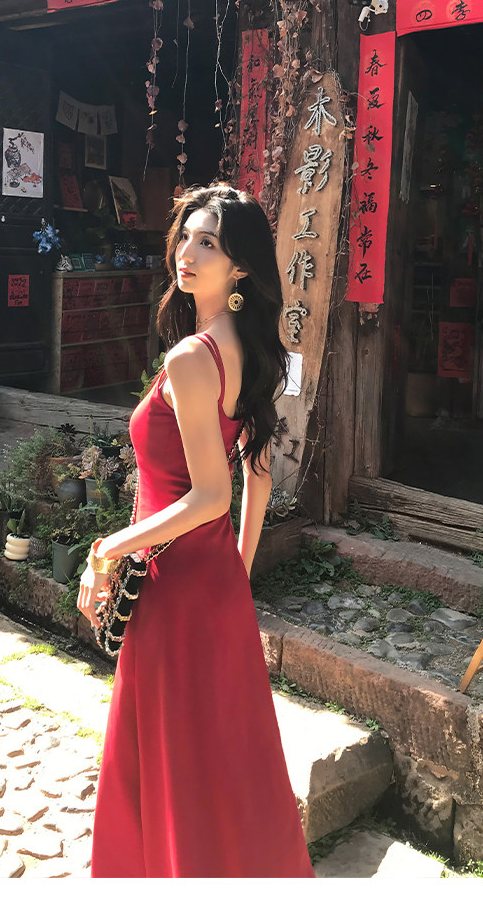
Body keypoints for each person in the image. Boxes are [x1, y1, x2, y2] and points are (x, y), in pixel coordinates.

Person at [76, 185, 315, 879]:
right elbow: (258, 473)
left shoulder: (192, 357)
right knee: (222, 769)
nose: (187, 251)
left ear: (239, 266)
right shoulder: (252, 347)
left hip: (174, 585)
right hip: (213, 587)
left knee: (173, 764)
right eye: (185, 236)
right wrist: (237, 571)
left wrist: (106, 549)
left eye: (208, 242)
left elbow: (212, 496)